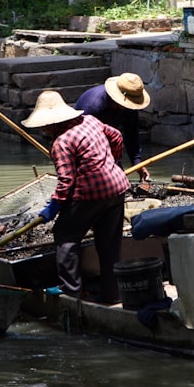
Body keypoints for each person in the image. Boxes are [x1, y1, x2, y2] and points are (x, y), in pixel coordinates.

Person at [22, 90, 131, 303]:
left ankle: (70, 290)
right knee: (109, 244)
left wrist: (53, 208)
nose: (43, 129)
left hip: (91, 194)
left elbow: (66, 182)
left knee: (65, 235)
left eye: (44, 125)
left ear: (51, 124)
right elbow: (117, 136)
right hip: (118, 187)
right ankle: (113, 295)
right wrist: (115, 162)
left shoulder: (60, 143)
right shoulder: (90, 120)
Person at [75, 72, 152, 181]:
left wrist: (137, 164)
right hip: (84, 140)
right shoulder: (94, 107)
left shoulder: (129, 106)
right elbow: (85, 143)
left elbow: (132, 136)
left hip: (107, 138)